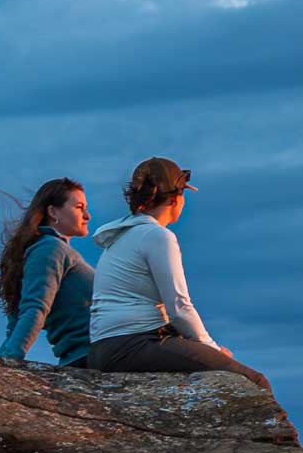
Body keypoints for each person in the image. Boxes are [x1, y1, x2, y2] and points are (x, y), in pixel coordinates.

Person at [87, 157, 271, 391]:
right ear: (176, 198)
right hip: (133, 344)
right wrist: (213, 349)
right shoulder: (157, 236)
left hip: (103, 349)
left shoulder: (120, 237)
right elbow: (179, 308)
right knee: (254, 382)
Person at [0, 177, 95, 366]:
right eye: (79, 207)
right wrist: (7, 363)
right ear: (53, 212)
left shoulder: (48, 249)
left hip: (84, 357)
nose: (87, 216)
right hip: (91, 356)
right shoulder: (50, 248)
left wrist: (0, 363)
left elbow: (18, 322)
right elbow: (34, 308)